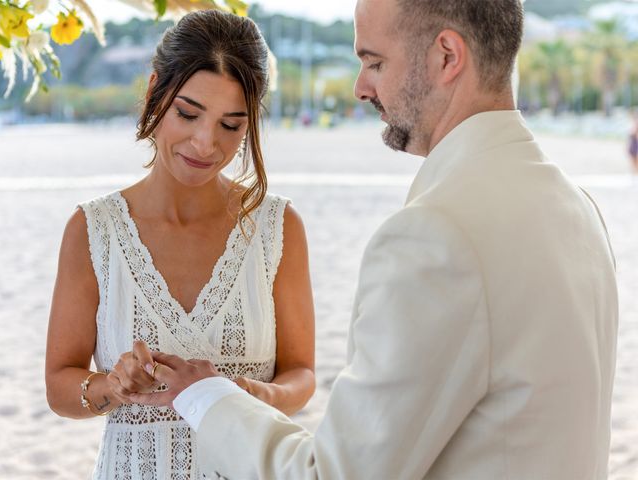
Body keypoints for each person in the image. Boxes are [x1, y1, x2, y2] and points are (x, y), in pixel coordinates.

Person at [132, 0, 619, 478]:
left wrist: (205, 393)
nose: (361, 88)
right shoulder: (576, 206)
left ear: (447, 56)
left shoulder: (435, 235)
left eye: (374, 62)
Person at [44, 9, 315, 479]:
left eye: (231, 125)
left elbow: (303, 375)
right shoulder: (94, 229)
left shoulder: (278, 227)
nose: (206, 143)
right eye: (188, 114)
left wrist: (253, 395)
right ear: (155, 91)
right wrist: (113, 384)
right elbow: (59, 384)